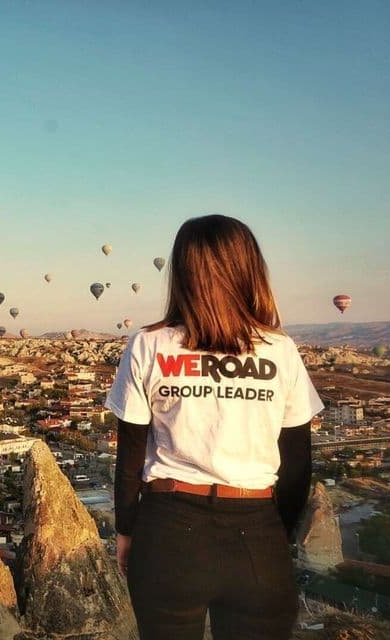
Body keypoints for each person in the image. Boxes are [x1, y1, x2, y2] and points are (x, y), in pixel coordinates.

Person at [105, 215, 323, 640]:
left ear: (182, 273)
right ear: (249, 269)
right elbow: (297, 466)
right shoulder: (280, 349)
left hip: (168, 532)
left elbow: (129, 457)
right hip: (256, 529)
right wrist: (277, 533)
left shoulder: (148, 344)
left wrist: (126, 531)